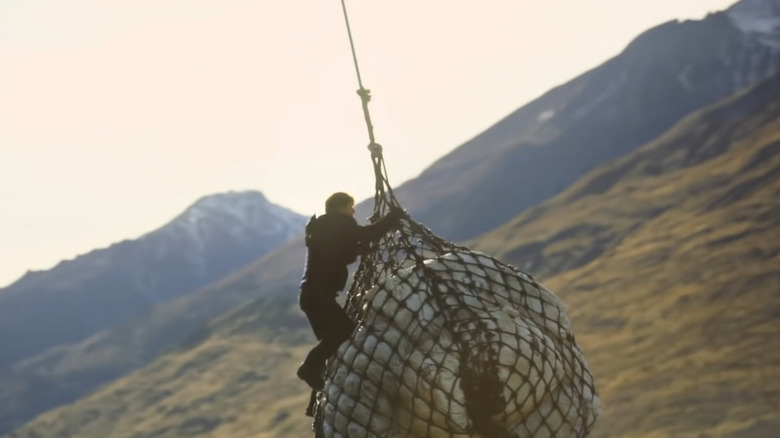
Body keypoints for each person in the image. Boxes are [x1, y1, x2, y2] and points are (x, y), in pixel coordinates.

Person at [296, 192, 403, 391]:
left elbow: (341, 252)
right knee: (344, 331)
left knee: (334, 337)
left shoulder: (324, 228)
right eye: (350, 206)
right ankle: (309, 369)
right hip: (318, 296)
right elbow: (366, 234)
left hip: (311, 295)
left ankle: (316, 372)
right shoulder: (339, 223)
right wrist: (392, 218)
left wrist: (362, 248)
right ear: (341, 208)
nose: (353, 211)